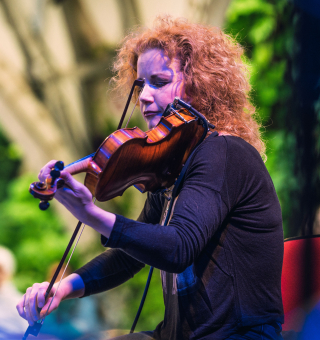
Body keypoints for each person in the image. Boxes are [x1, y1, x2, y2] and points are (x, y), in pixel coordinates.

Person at [17, 17, 284, 340]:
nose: (144, 96)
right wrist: (63, 288)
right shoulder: (173, 168)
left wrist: (92, 215)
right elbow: (128, 257)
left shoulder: (224, 153)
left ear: (201, 84)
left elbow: (178, 248)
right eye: (141, 84)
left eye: (159, 81)